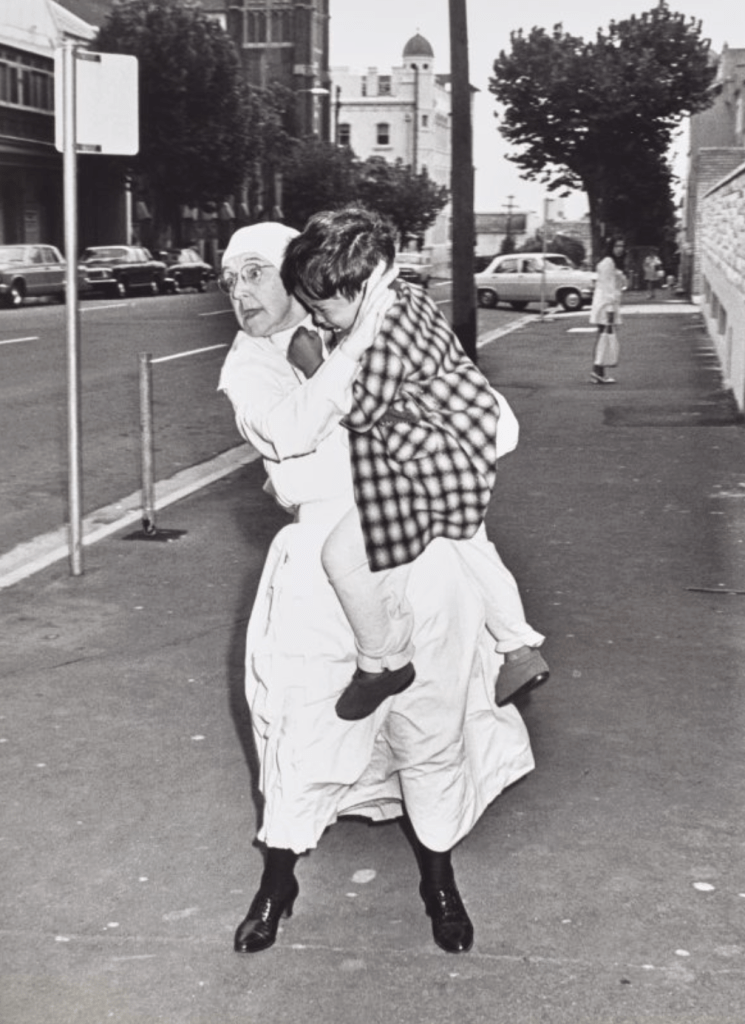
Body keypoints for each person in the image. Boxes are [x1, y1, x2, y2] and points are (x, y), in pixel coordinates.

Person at [217, 223, 535, 957]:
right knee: (305, 727)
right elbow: (287, 438)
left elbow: (498, 429)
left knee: (428, 722)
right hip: (319, 580)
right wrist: (352, 374)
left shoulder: (378, 319)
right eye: (230, 279)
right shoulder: (250, 365)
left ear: (300, 277)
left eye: (255, 274)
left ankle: (439, 880)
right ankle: (278, 880)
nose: (240, 292)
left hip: (424, 557)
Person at [281, 206, 548, 721]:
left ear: (356, 288)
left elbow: (359, 411)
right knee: (471, 544)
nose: (316, 318)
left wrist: (314, 363)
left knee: (342, 556)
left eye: (321, 308)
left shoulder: (386, 331)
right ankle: (517, 648)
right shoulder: (408, 298)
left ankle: (383, 661)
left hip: (433, 460)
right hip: (451, 446)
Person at [589, 237, 627, 385]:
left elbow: (619, 284)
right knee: (604, 338)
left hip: (607, 304)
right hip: (605, 305)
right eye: (617, 245)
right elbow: (607, 288)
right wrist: (610, 310)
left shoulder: (612, 263)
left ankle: (598, 372)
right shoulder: (608, 263)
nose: (620, 248)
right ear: (611, 247)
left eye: (622, 245)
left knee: (603, 338)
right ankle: (597, 370)